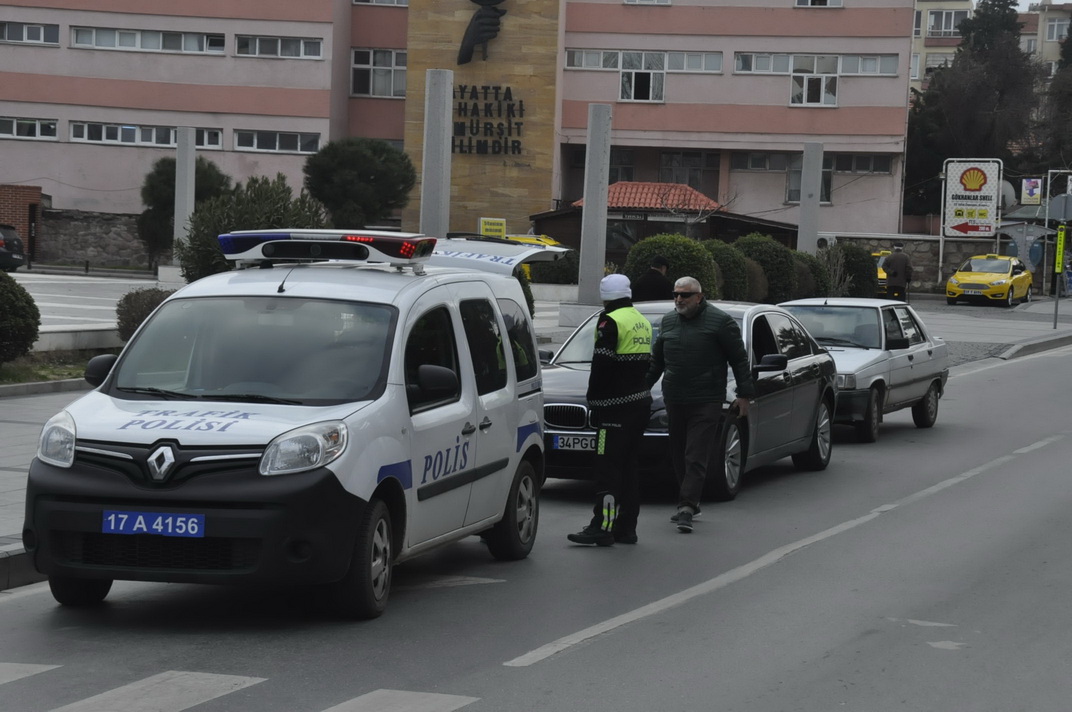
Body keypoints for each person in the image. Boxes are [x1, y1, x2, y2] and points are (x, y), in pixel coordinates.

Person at [646, 276, 755, 533]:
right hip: (674, 397)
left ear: (699, 296)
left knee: (695, 454)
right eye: (675, 294)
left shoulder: (720, 322)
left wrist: (744, 395)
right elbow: (657, 362)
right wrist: (642, 388)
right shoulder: (669, 321)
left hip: (706, 399)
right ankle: (691, 500)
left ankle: (686, 506)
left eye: (684, 295)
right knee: (678, 452)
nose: (678, 300)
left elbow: (739, 360)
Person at [567, 273, 653, 546]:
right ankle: (627, 528)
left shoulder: (609, 321)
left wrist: (593, 399)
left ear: (605, 296)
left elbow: (602, 365)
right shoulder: (641, 320)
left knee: (607, 469)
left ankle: (601, 527)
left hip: (614, 411)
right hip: (639, 405)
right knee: (628, 468)